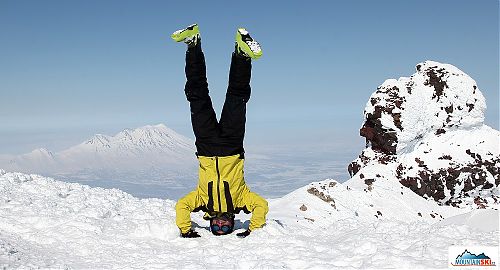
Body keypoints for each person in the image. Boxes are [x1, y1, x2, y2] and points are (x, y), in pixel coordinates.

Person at [172, 24, 268, 238]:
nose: (221, 224)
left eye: (217, 227)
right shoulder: (242, 200)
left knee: (197, 95)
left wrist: (186, 229)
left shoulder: (201, 201)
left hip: (205, 145)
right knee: (237, 96)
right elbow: (261, 206)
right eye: (226, 227)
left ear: (211, 223)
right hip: (232, 144)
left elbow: (182, 206)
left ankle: (193, 44)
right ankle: (242, 53)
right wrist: (253, 228)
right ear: (233, 222)